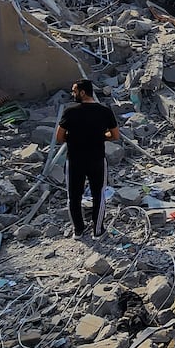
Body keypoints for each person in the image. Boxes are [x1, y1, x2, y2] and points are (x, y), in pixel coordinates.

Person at [55, 79, 120, 237]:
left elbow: (59, 137)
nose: (73, 94)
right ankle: (98, 231)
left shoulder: (69, 111)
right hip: (97, 160)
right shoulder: (104, 111)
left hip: (75, 160)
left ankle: (78, 231)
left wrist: (74, 138)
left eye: (74, 91)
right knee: (99, 195)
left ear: (82, 92)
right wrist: (100, 137)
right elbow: (115, 135)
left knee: (74, 197)